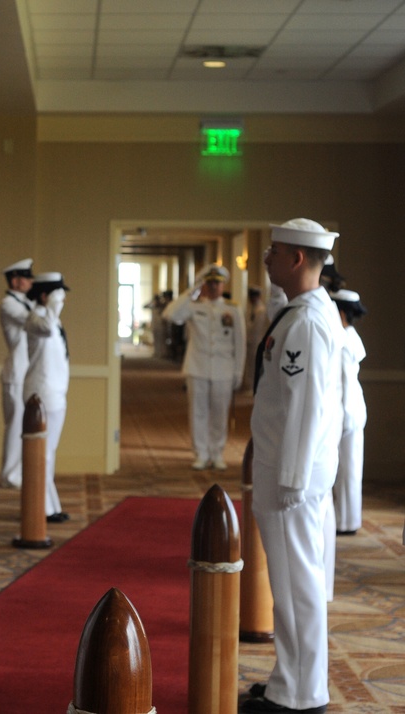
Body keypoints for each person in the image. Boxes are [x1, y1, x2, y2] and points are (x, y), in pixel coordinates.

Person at [243, 217, 344, 714]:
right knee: (291, 583)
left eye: (274, 250)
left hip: (291, 477)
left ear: (297, 259)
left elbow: (306, 404)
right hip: (293, 471)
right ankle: (292, 681)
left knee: (295, 583)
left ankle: (301, 695)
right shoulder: (306, 311)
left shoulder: (305, 321)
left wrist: (291, 478)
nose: (266, 258)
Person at [163, 264, 246, 470]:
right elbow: (170, 314)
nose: (213, 286)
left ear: (223, 284)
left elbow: (240, 342)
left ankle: (217, 452)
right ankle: (200, 453)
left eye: (217, 283)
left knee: (219, 412)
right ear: (204, 284)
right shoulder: (193, 306)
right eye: (209, 282)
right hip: (197, 367)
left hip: (223, 369)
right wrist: (192, 291)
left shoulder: (232, 309)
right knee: (198, 412)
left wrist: (238, 371)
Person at [24, 272, 70, 523]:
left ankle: (49, 504)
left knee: (48, 452)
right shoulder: (36, 318)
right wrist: (52, 307)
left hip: (56, 394)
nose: (62, 300)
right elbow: (46, 329)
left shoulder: (53, 318)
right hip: (41, 395)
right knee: (43, 453)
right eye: (57, 294)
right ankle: (42, 506)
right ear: (44, 296)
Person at [330, 288, 367, 536]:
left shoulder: (343, 340)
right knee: (351, 468)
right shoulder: (352, 335)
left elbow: (342, 382)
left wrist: (341, 418)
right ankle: (348, 518)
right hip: (355, 410)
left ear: (341, 312)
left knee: (346, 470)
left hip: (347, 413)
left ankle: (344, 522)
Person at [0, 258, 34, 489]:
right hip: (16, 372)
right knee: (16, 425)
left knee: (23, 424)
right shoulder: (8, 304)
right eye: (27, 277)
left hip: (26, 370)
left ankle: (17, 471)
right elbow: (31, 322)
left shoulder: (24, 302)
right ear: (15, 280)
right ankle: (10, 474)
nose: (31, 281)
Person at [243, 285, 269, 392]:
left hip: (257, 341)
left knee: (255, 365)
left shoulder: (260, 310)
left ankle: (253, 387)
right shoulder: (252, 309)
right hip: (250, 341)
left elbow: (256, 329)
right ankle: (250, 385)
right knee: (250, 365)